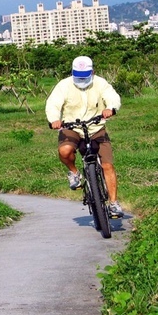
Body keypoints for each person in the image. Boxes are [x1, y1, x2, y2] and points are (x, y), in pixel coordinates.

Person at [45, 56, 123, 217]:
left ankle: (113, 203)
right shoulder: (64, 85)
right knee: (65, 151)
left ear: (92, 72)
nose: (81, 79)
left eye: (85, 75)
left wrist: (111, 108)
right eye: (78, 75)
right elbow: (53, 103)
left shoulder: (100, 83)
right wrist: (54, 120)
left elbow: (113, 97)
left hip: (96, 127)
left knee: (107, 165)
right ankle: (74, 173)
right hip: (72, 127)